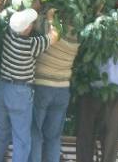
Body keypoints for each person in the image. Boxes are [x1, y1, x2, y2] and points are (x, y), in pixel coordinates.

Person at [0, 8, 59, 162]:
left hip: (2, 87)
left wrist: (33, 6)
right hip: (19, 93)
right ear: (27, 28)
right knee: (21, 140)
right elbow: (54, 36)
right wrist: (51, 18)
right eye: (31, 23)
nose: (33, 25)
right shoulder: (31, 45)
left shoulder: (9, 33)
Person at [76, 1, 118, 162]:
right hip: (106, 89)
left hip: (97, 87)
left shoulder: (99, 28)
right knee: (108, 137)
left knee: (89, 134)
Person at [29, 19, 80, 162]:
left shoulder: (48, 27)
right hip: (63, 90)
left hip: (42, 87)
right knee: (53, 137)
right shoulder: (76, 35)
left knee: (35, 133)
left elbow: (31, 21)